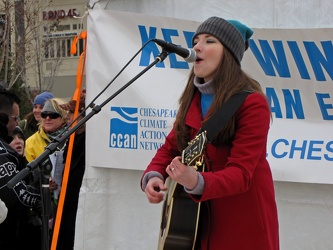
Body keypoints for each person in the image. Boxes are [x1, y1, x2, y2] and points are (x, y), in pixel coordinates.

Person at [141, 16, 279, 250]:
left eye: (209, 40)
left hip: (242, 224)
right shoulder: (192, 99)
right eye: (196, 40)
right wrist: (153, 175)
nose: (196, 46)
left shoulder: (252, 104)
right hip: (196, 224)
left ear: (229, 54)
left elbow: (241, 173)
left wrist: (196, 180)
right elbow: (171, 147)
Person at [0, 89, 41, 250]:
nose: (17, 123)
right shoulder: (2, 151)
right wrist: (39, 184)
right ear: (3, 118)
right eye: (15, 118)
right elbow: (17, 197)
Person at [56, 91, 86, 250]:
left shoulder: (88, 143)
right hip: (65, 202)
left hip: (77, 206)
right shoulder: (71, 139)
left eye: (71, 112)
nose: (67, 116)